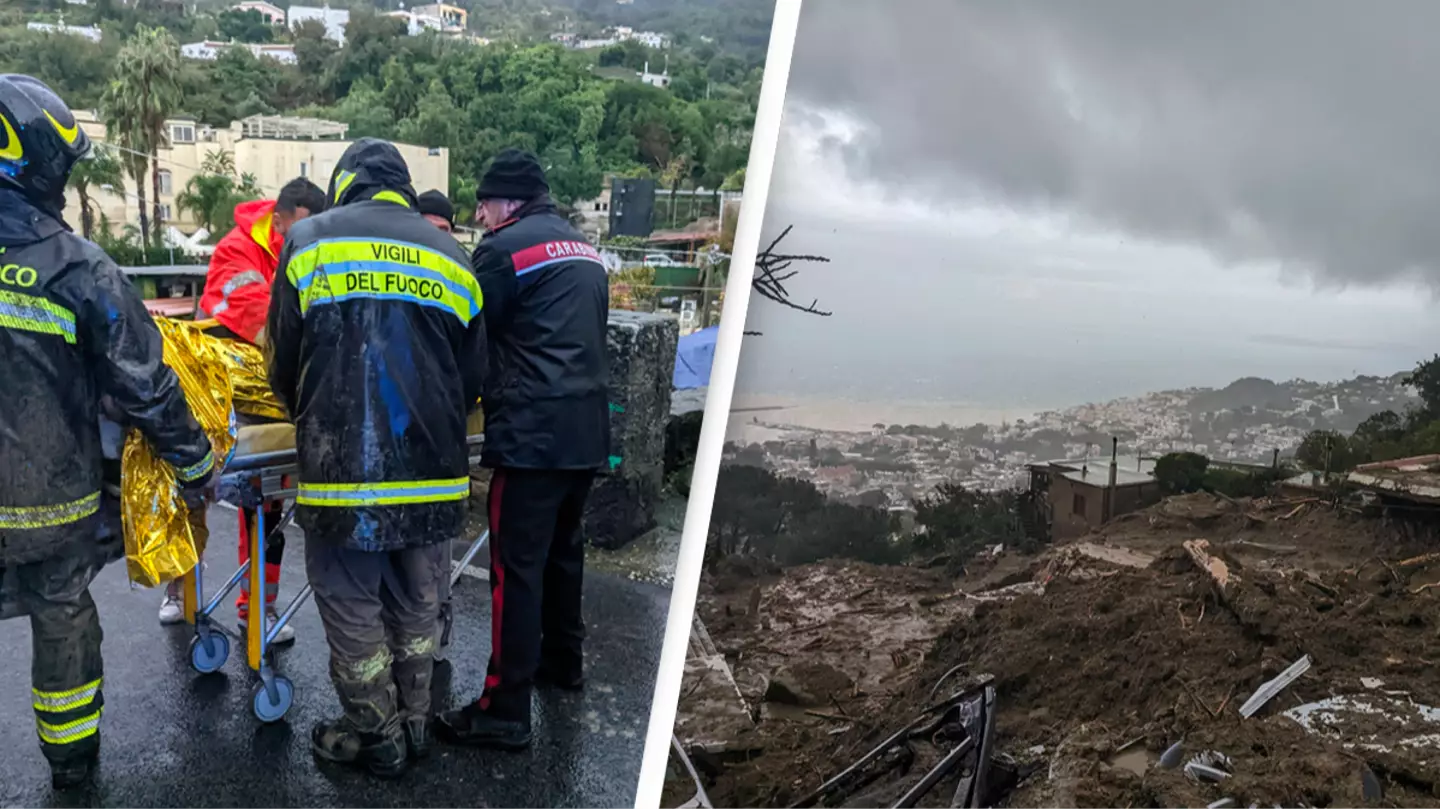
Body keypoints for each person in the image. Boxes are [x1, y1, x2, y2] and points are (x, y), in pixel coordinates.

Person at [0, 75, 215, 789]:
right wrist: (194, 464)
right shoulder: (76, 270)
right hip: (47, 504)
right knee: (61, 620)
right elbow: (145, 384)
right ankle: (72, 767)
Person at [266, 138, 486, 778]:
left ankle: (376, 732)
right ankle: (417, 721)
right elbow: (472, 375)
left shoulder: (309, 242)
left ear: (343, 186)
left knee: (351, 600)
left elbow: (282, 358)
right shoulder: (453, 255)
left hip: (345, 474)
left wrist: (307, 416)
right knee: (419, 600)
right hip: (437, 471)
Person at [436, 148, 610, 751]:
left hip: (532, 436)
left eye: (484, 203)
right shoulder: (587, 250)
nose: (480, 215)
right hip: (586, 432)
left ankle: (503, 706)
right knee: (565, 554)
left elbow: (467, 327)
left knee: (515, 570)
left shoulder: (503, 252)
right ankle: (563, 664)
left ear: (508, 202)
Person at [159, 177, 326, 641]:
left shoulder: (302, 248)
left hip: (273, 390)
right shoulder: (239, 250)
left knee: (269, 500)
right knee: (192, 491)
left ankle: (259, 606)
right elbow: (256, 315)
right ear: (279, 221)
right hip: (220, 388)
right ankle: (179, 588)